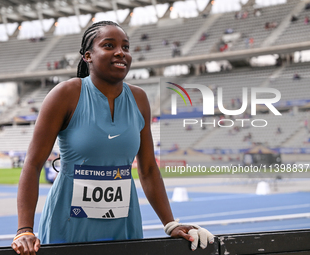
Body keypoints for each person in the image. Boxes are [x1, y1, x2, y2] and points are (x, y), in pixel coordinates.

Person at [11, 21, 214, 255]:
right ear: (88, 55)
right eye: (109, 45)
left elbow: (147, 169)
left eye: (125, 47)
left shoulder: (139, 99)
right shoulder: (66, 94)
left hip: (123, 224)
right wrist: (24, 229)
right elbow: (33, 164)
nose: (121, 52)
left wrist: (170, 223)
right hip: (68, 224)